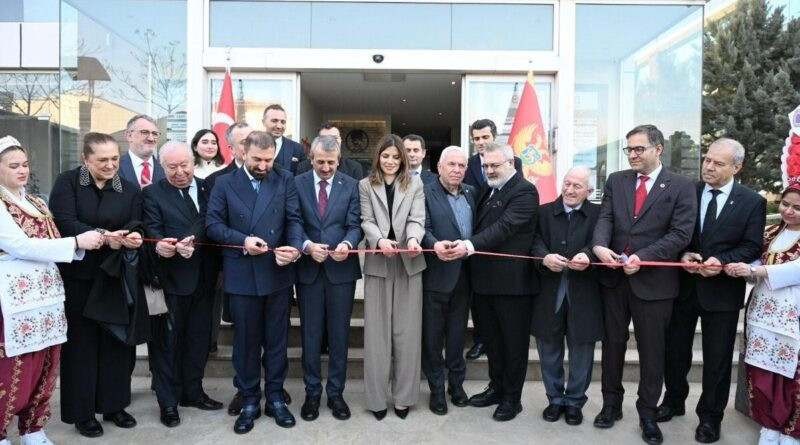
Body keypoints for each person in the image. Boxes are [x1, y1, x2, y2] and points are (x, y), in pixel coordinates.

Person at [591, 124, 697, 445]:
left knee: (653, 352)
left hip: (654, 283)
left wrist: (642, 257)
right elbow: (605, 218)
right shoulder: (616, 181)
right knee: (613, 346)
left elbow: (680, 234)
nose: (633, 155)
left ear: (658, 149)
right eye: (629, 149)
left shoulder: (680, 186)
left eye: (639, 149)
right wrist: (598, 246)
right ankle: (611, 405)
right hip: (614, 279)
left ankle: (648, 413)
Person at [659, 138, 765, 443]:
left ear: (736, 167)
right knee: (675, 351)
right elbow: (673, 233)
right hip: (685, 287)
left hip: (722, 293)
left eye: (718, 163)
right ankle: (673, 401)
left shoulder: (751, 201)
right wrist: (683, 255)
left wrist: (723, 261)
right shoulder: (687, 192)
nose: (709, 167)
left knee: (717, 359)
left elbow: (751, 245)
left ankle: (710, 418)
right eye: (707, 159)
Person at [0, 136, 104, 445]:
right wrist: (75, 242)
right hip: (14, 295)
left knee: (45, 362)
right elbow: (18, 245)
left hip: (45, 295)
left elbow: (52, 240)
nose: (23, 171)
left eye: (26, 164)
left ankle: (33, 428)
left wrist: (86, 241)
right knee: (14, 365)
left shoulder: (36, 201)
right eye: (13, 166)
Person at [50, 132, 148, 438]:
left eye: (115, 159)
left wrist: (134, 236)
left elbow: (136, 222)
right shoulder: (68, 183)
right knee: (81, 347)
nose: (110, 165)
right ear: (85, 159)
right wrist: (104, 235)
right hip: (79, 278)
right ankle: (83, 413)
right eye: (102, 160)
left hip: (114, 277)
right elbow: (65, 223)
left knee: (116, 344)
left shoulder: (129, 189)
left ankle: (114, 404)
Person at [206, 131, 304, 434]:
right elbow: (212, 225)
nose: (264, 165)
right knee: (246, 343)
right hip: (241, 274)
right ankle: (249, 399)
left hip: (277, 273)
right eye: (257, 159)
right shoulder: (224, 183)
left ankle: (275, 397)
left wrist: (295, 248)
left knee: (277, 342)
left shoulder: (285, 178)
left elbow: (294, 220)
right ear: (242, 154)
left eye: (269, 159)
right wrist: (242, 240)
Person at [142, 141, 224, 428]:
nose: (180, 172)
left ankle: (193, 392)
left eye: (184, 165)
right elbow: (151, 228)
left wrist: (191, 238)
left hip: (205, 277)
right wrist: (163, 245)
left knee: (198, 340)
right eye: (172, 167)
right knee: (166, 344)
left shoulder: (209, 187)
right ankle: (167, 402)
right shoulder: (152, 193)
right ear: (162, 167)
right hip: (171, 280)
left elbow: (210, 219)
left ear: (193, 161)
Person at [460, 142, 538, 422]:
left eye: (495, 165)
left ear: (511, 164)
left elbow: (504, 228)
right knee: (492, 342)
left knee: (513, 345)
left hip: (512, 286)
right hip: (483, 284)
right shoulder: (488, 189)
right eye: (485, 166)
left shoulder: (525, 191)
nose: (489, 170)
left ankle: (512, 399)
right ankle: (496, 387)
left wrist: (468, 245)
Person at [725, 183, 800, 445]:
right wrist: (746, 268)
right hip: (761, 315)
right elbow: (758, 261)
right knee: (763, 373)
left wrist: (759, 272)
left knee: (791, 377)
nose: (788, 211)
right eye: (785, 204)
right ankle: (770, 425)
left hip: (793, 319)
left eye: (797, 208)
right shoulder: (769, 232)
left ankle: (792, 432)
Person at [294, 135, 362, 422]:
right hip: (309, 270)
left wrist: (347, 244)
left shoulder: (351, 185)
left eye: (330, 163)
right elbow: (293, 220)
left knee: (338, 335)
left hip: (341, 271)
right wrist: (307, 246)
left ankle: (335, 393)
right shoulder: (296, 184)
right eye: (320, 162)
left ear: (339, 160)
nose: (325, 168)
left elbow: (354, 223)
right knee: (310, 335)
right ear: (311, 159)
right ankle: (312, 393)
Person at [359, 134, 426, 420]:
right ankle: (376, 399)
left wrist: (413, 238)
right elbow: (366, 220)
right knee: (377, 336)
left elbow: (417, 218)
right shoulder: (364, 185)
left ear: (403, 159)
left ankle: (403, 397)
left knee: (407, 334)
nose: (390, 161)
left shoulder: (415, 183)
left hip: (409, 262)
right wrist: (378, 240)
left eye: (396, 156)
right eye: (386, 156)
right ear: (378, 157)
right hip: (378, 263)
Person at [530, 166, 601, 426]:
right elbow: (534, 241)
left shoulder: (599, 213)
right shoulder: (544, 211)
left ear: (589, 191)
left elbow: (601, 240)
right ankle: (554, 399)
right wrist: (544, 258)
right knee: (548, 347)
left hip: (584, 292)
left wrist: (588, 255)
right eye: (567, 183)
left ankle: (574, 402)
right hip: (549, 290)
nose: (570, 190)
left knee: (582, 351)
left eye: (577, 186)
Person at [420, 146, 475, 415]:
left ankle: (457, 385)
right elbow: (422, 228)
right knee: (432, 338)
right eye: (451, 164)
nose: (456, 169)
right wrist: (434, 244)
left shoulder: (472, 193)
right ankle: (436, 390)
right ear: (439, 167)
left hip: (464, 277)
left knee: (456, 336)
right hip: (435, 276)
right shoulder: (424, 192)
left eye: (461, 165)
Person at [461, 118, 523, 360]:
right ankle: (479, 340)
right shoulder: (467, 164)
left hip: (495, 247)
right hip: (475, 235)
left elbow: (511, 199)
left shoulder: (513, 163)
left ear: (494, 137)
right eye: (476, 138)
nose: (480, 142)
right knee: (478, 301)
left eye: (485, 137)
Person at [296, 122, 364, 180]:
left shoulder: (354, 168)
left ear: (341, 140)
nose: (329, 141)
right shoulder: (303, 168)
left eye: (334, 138)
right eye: (324, 138)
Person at [119, 114, 165, 188]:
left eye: (154, 134)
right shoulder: (114, 168)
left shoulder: (166, 168)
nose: (151, 138)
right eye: (145, 132)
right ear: (129, 136)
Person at [262, 104, 307, 175]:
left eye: (283, 122)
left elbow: (302, 178)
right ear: (263, 122)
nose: (279, 126)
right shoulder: (253, 146)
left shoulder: (297, 149)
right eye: (274, 121)